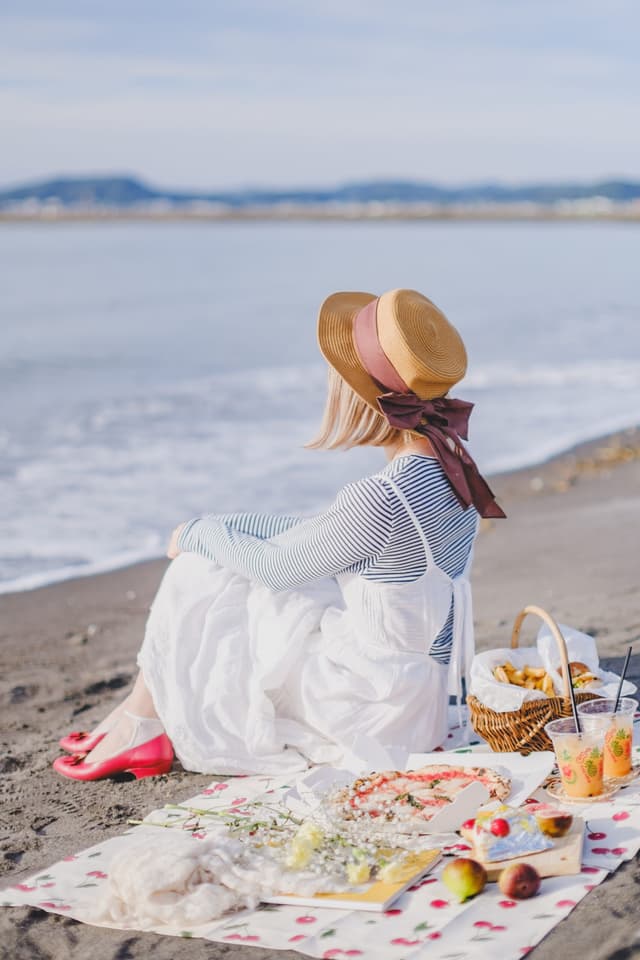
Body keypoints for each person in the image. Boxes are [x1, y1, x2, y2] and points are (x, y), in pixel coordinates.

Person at [53, 288, 505, 781]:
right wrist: (219, 526)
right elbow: (317, 534)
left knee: (199, 568)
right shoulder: (450, 469)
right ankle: (132, 715)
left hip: (374, 716)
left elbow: (277, 567)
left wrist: (197, 535)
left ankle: (141, 726)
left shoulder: (385, 496)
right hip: (422, 700)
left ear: (365, 397)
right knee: (228, 553)